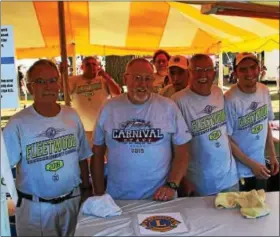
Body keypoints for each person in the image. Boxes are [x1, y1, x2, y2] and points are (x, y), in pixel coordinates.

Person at [3, 59, 93, 236]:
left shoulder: (71, 116)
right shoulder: (17, 123)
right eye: (40, 82)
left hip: (71, 202)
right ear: (29, 88)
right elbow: (4, 166)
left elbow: (82, 156)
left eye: (53, 80)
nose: (48, 87)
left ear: (59, 84)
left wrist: (86, 189)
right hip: (35, 209)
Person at [90, 58, 192, 201]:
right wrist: (99, 194)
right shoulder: (109, 108)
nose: (143, 84)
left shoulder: (168, 107)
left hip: (160, 199)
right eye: (137, 78)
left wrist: (172, 185)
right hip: (118, 199)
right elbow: (97, 154)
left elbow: (183, 151)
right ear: (125, 79)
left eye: (148, 79)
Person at [172, 54, 238, 197]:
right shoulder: (178, 101)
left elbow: (224, 134)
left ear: (213, 73)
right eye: (197, 70)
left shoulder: (218, 92)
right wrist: (182, 179)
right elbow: (174, 146)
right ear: (190, 73)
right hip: (199, 183)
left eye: (207, 69)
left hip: (229, 178)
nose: (203, 74)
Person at [224, 53, 279, 192]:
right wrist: (251, 164)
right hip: (239, 170)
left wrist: (272, 155)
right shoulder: (230, 99)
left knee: (261, 207)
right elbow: (227, 139)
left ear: (259, 69)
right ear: (235, 73)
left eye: (253, 67)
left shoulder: (264, 90)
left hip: (261, 166)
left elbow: (264, 123)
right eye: (243, 69)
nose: (249, 73)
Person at [69, 56, 121, 142]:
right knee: (86, 155)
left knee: (102, 154)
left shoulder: (104, 80)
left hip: (103, 126)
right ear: (82, 67)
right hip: (82, 129)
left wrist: (106, 76)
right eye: (88, 64)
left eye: (94, 64)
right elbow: (61, 87)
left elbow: (117, 93)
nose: (91, 66)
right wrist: (61, 72)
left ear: (98, 66)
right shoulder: (74, 80)